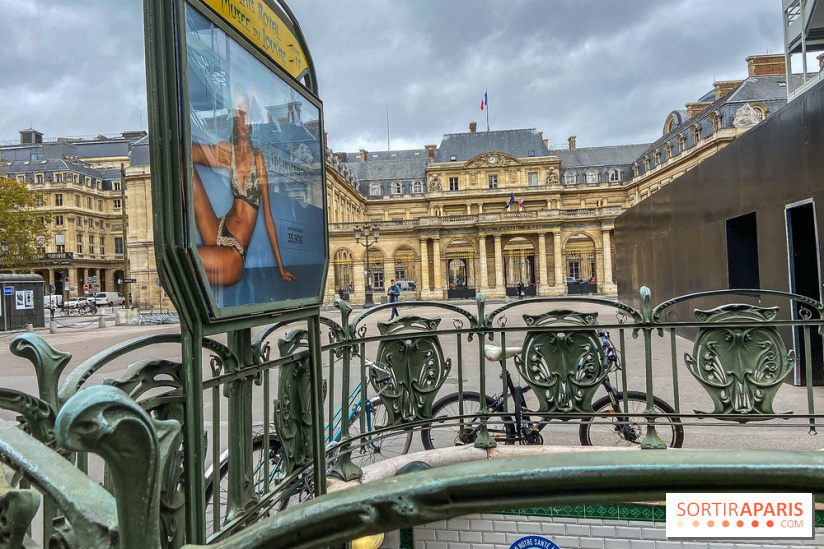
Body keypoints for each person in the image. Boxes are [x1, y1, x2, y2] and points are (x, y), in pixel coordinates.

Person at [191, 85, 295, 286]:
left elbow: (269, 219)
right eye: (241, 114)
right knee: (182, 163)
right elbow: (181, 150)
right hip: (217, 229)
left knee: (183, 261)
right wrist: (210, 152)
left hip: (234, 252)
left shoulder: (258, 157)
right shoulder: (227, 153)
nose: (245, 121)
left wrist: (281, 268)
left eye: (248, 115)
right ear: (235, 119)